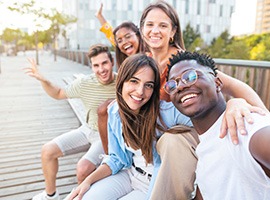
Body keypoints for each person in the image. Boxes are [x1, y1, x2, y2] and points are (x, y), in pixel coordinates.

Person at [139, 1, 268, 199]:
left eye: (163, 25)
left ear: (173, 31)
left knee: (171, 144)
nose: (155, 31)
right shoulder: (146, 61)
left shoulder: (182, 63)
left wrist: (263, 117)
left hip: (191, 133)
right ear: (141, 29)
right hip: (161, 135)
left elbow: (233, 86)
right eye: (150, 25)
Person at [165, 51, 270, 199]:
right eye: (172, 85)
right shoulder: (206, 146)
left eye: (190, 77)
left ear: (217, 83)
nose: (180, 87)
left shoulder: (244, 124)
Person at [67, 53, 194, 200]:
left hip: (154, 185)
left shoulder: (166, 112)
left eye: (148, 85)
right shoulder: (114, 112)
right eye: (134, 81)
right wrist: (87, 181)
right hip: (129, 174)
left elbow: (207, 120)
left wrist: (228, 105)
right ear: (122, 81)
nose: (140, 91)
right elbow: (117, 159)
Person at [24, 44, 117, 200]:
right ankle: (50, 195)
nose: (101, 69)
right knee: (47, 151)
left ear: (112, 61)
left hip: (107, 136)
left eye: (104, 63)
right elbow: (59, 93)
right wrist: (43, 80)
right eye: (96, 65)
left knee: (82, 168)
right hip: (87, 129)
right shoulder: (85, 83)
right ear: (91, 67)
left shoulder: (123, 83)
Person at [96, 2, 144, 154]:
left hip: (144, 99)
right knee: (103, 109)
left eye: (128, 37)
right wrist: (100, 17)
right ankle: (110, 155)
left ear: (139, 35)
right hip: (130, 98)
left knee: (107, 110)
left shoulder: (148, 55)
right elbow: (112, 35)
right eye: (120, 40)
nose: (124, 42)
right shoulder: (125, 58)